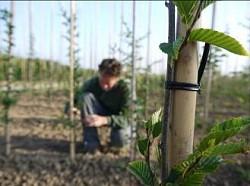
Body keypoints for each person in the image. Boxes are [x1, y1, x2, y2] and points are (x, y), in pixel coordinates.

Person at [75, 58, 130, 153]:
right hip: (100, 110)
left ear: (117, 79)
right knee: (85, 97)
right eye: (102, 81)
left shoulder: (126, 89)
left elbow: (128, 118)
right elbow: (76, 98)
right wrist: (72, 108)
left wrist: (105, 120)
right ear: (99, 74)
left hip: (118, 117)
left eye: (108, 84)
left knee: (120, 140)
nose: (105, 86)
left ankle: (115, 145)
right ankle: (91, 144)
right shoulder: (92, 83)